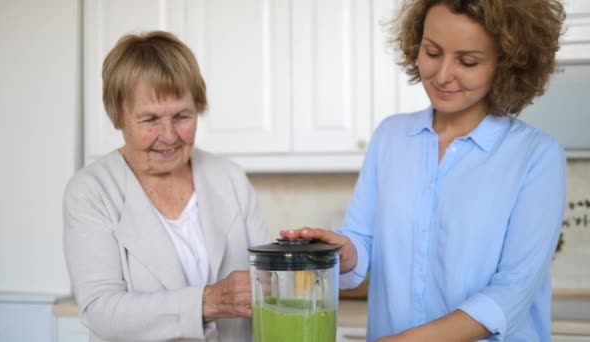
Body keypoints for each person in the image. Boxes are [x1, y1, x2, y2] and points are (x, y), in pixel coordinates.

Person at [282, 0, 567, 341]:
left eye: (468, 61)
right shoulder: (391, 136)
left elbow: (512, 292)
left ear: (506, 64)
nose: (443, 75)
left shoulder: (536, 156)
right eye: (432, 52)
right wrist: (343, 251)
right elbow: (363, 241)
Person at [63, 31, 270, 342]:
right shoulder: (92, 191)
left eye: (182, 116)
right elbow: (100, 309)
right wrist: (206, 301)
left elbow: (267, 281)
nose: (170, 135)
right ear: (118, 116)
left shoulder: (229, 178)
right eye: (150, 120)